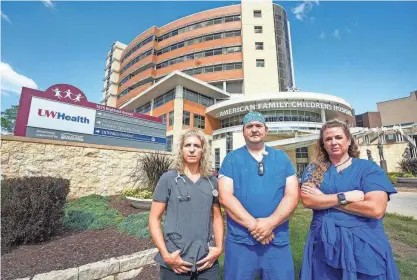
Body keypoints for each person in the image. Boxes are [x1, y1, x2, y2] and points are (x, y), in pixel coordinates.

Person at [299, 119, 400, 280]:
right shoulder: (313, 169)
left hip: (364, 242)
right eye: (328, 139)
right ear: (323, 144)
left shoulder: (368, 168)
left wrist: (325, 200)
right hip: (324, 244)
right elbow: (309, 201)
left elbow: (375, 209)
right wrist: (345, 197)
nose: (333, 142)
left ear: (348, 140)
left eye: (338, 137)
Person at [218, 111, 299, 280]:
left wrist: (270, 223)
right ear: (243, 131)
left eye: (258, 126)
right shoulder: (231, 159)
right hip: (241, 242)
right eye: (249, 126)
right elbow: (226, 197)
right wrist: (257, 227)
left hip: (276, 240)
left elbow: (292, 195)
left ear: (266, 130)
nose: (254, 130)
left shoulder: (282, 158)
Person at [149, 129, 224, 280]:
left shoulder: (212, 182)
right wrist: (166, 255)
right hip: (175, 259)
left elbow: (217, 217)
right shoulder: (168, 179)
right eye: (187, 145)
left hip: (206, 260)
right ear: (181, 149)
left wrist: (219, 248)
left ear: (203, 150)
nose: (191, 149)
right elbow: (154, 219)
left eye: (196, 146)